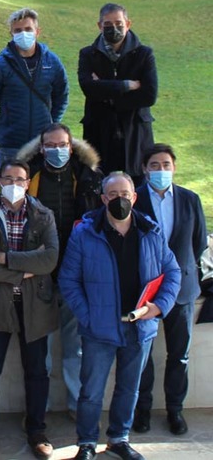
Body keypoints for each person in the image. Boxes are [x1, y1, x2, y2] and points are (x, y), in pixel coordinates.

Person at [59, 171, 181, 460]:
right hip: (98, 329)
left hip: (139, 327)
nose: (119, 200)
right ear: (103, 199)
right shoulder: (85, 233)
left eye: (125, 194)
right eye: (112, 195)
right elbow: (68, 281)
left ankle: (118, 438)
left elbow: (173, 272)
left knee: (129, 389)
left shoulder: (150, 231)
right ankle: (87, 443)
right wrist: (88, 317)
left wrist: (159, 306)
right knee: (91, 392)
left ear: (134, 197)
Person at [0, 160, 59, 460]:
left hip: (35, 304)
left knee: (37, 372)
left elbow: (50, 260)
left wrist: (6, 259)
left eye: (20, 179)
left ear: (29, 181)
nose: (14, 184)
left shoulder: (44, 214)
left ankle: (37, 431)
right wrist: (22, 272)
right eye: (8, 178)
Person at [16, 123, 103, 419]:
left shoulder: (89, 178)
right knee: (40, 348)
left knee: (75, 346)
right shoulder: (28, 177)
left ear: (71, 147)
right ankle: (38, 409)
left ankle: (78, 406)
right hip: (39, 274)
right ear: (41, 148)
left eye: (62, 145)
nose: (56, 150)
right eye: (50, 145)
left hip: (76, 275)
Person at [131, 144, 206, 436]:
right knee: (142, 354)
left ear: (174, 167)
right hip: (145, 289)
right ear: (145, 169)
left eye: (165, 164)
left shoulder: (190, 199)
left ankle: (175, 410)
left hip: (183, 290)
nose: (160, 170)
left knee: (179, 354)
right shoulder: (134, 199)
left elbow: (198, 242)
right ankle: (142, 410)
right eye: (154, 165)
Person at [0, 8, 69, 167]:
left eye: (28, 29)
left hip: (42, 146)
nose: (23, 34)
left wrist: (50, 127)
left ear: (37, 31)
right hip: (10, 147)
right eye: (18, 30)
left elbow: (62, 96)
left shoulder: (52, 62)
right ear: (11, 33)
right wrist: (1, 135)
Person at [78, 3, 158, 184]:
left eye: (118, 23)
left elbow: (149, 95)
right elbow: (88, 88)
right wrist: (126, 85)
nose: (113, 28)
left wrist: (105, 92)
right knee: (100, 184)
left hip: (135, 132)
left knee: (138, 185)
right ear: (99, 26)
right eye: (107, 24)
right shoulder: (88, 54)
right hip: (99, 130)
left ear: (128, 24)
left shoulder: (144, 55)